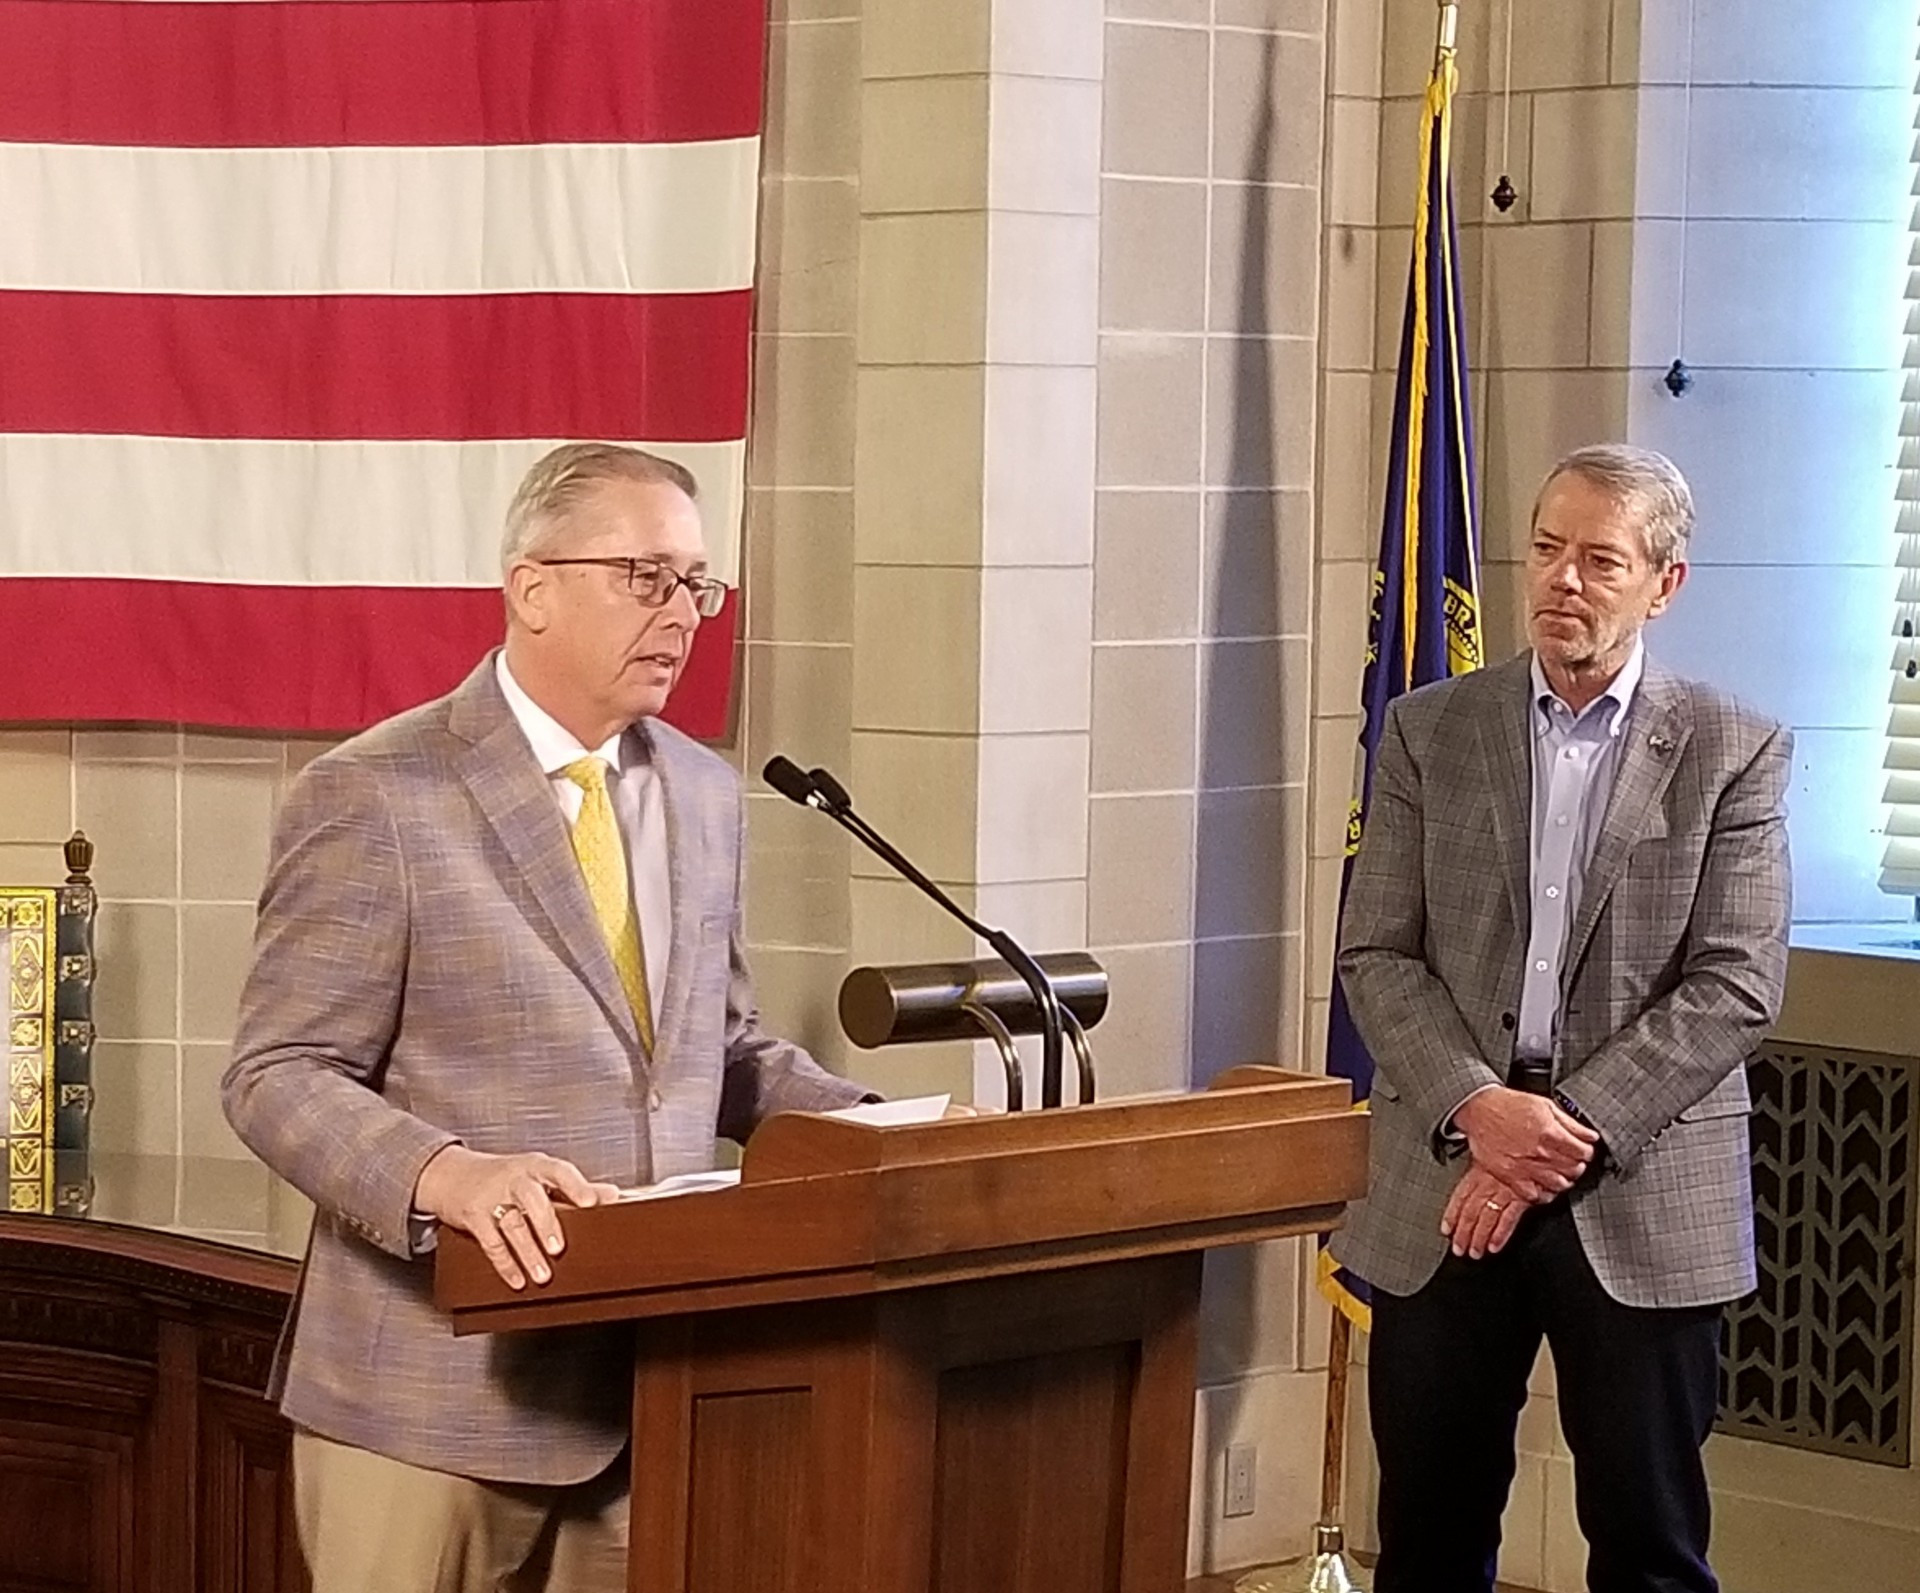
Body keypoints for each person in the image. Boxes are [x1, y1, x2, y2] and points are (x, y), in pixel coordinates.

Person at [222, 443, 876, 1593]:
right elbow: (278, 1073)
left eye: (697, 584)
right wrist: (447, 1175)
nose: (681, 613)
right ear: (531, 588)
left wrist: (889, 1130)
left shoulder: (706, 791)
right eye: (646, 577)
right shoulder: (378, 792)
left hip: (651, 1396)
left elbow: (714, 1052)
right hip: (430, 1402)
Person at [1330, 444, 1791, 1593]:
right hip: (1446, 1177)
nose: (1562, 583)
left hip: (1638, 1193)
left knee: (1647, 1550)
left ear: (1663, 583)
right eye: (1545, 550)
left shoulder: (1735, 750)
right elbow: (1377, 952)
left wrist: (1557, 1130)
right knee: (1429, 1541)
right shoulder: (1431, 730)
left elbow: (1733, 984)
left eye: (1599, 560)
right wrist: (1481, 1109)